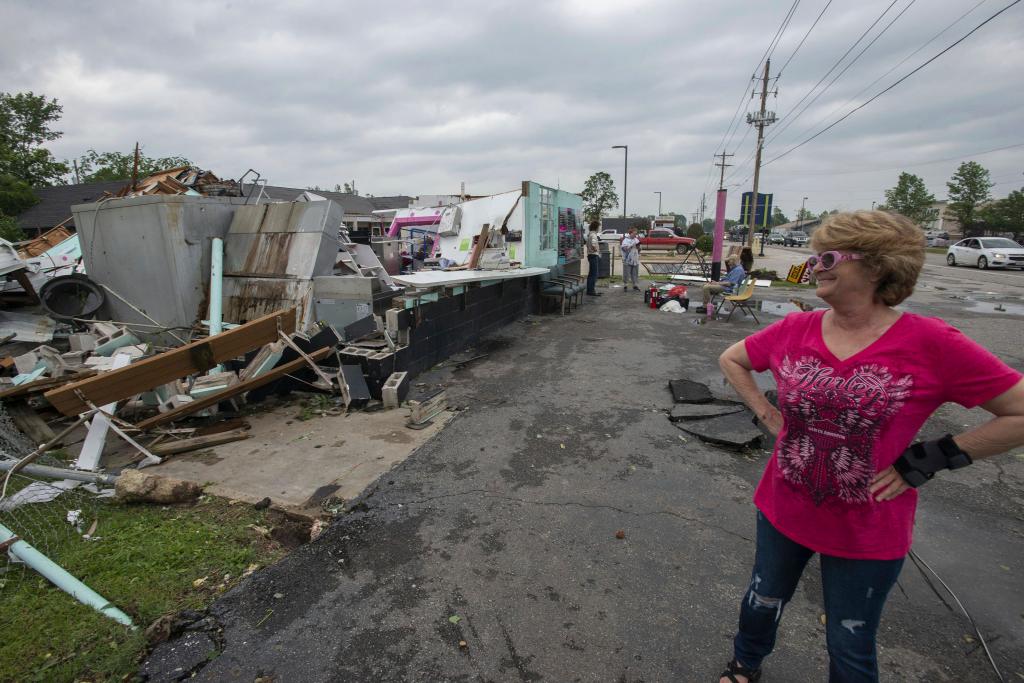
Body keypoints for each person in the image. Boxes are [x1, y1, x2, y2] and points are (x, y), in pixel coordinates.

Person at [716, 211, 1024, 683]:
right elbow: (733, 358)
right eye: (816, 256)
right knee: (762, 600)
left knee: (850, 640)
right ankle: (745, 664)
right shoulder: (795, 328)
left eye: (830, 257)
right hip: (784, 507)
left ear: (879, 266)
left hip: (868, 527)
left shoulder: (932, 342)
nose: (816, 265)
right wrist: (767, 414)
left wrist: (929, 459)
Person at [620, 227, 641, 291]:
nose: (635, 235)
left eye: (636, 234)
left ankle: (635, 285)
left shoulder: (636, 240)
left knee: (635, 272)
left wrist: (638, 247)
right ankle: (625, 285)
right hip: (627, 259)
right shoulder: (626, 240)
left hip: (635, 259)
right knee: (627, 272)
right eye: (634, 234)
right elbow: (624, 249)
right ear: (630, 233)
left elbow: (639, 249)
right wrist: (631, 246)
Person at [585, 221, 602, 297]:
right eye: (599, 227)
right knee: (594, 274)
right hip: (593, 255)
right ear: (596, 227)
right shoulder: (594, 235)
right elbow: (593, 244)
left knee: (591, 274)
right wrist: (597, 251)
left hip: (590, 255)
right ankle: (591, 290)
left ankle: (590, 289)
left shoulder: (590, 234)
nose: (599, 228)